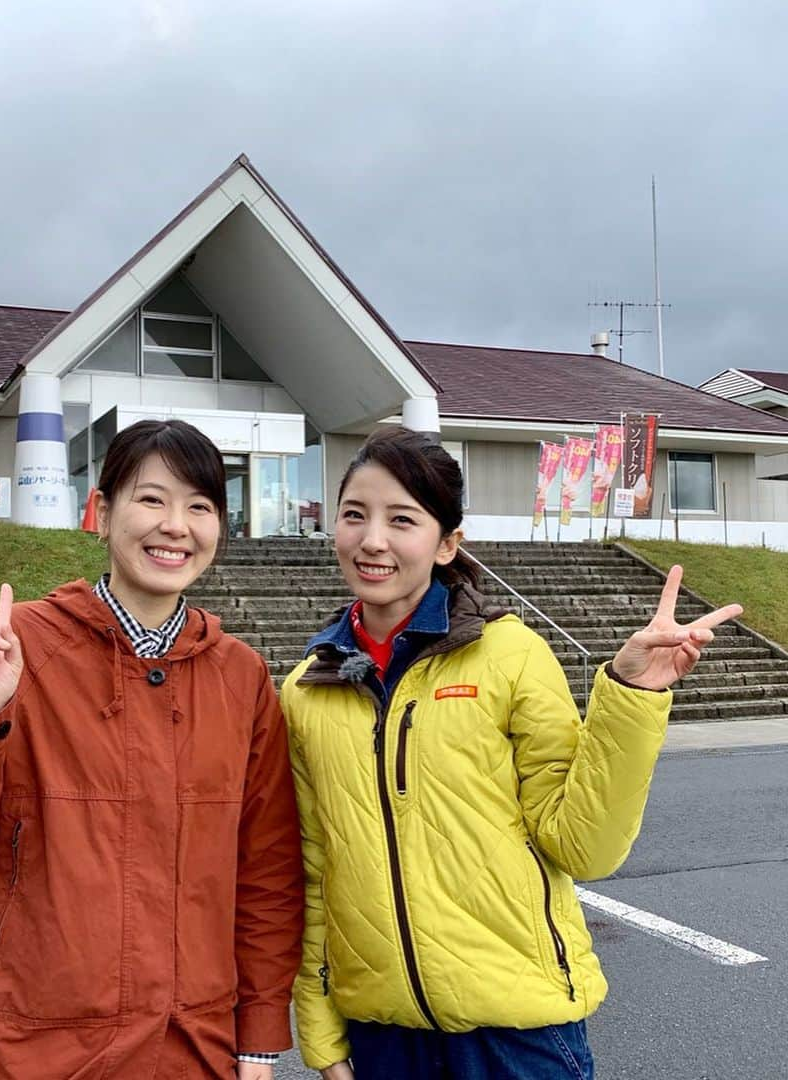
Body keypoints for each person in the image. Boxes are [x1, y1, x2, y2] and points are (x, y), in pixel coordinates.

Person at [280, 426, 742, 1080]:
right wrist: (322, 1036)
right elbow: (316, 871)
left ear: (447, 544)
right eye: (355, 515)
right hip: (382, 1037)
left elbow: (585, 847)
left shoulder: (510, 654)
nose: (372, 539)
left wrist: (633, 693)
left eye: (402, 519)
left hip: (518, 1036)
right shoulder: (306, 690)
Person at [0, 420, 304, 1080]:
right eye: (152, 499)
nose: (176, 526)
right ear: (104, 513)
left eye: (200, 506)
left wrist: (257, 1036)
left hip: (188, 1046)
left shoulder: (241, 676)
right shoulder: (18, 643)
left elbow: (266, 869)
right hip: (23, 1045)